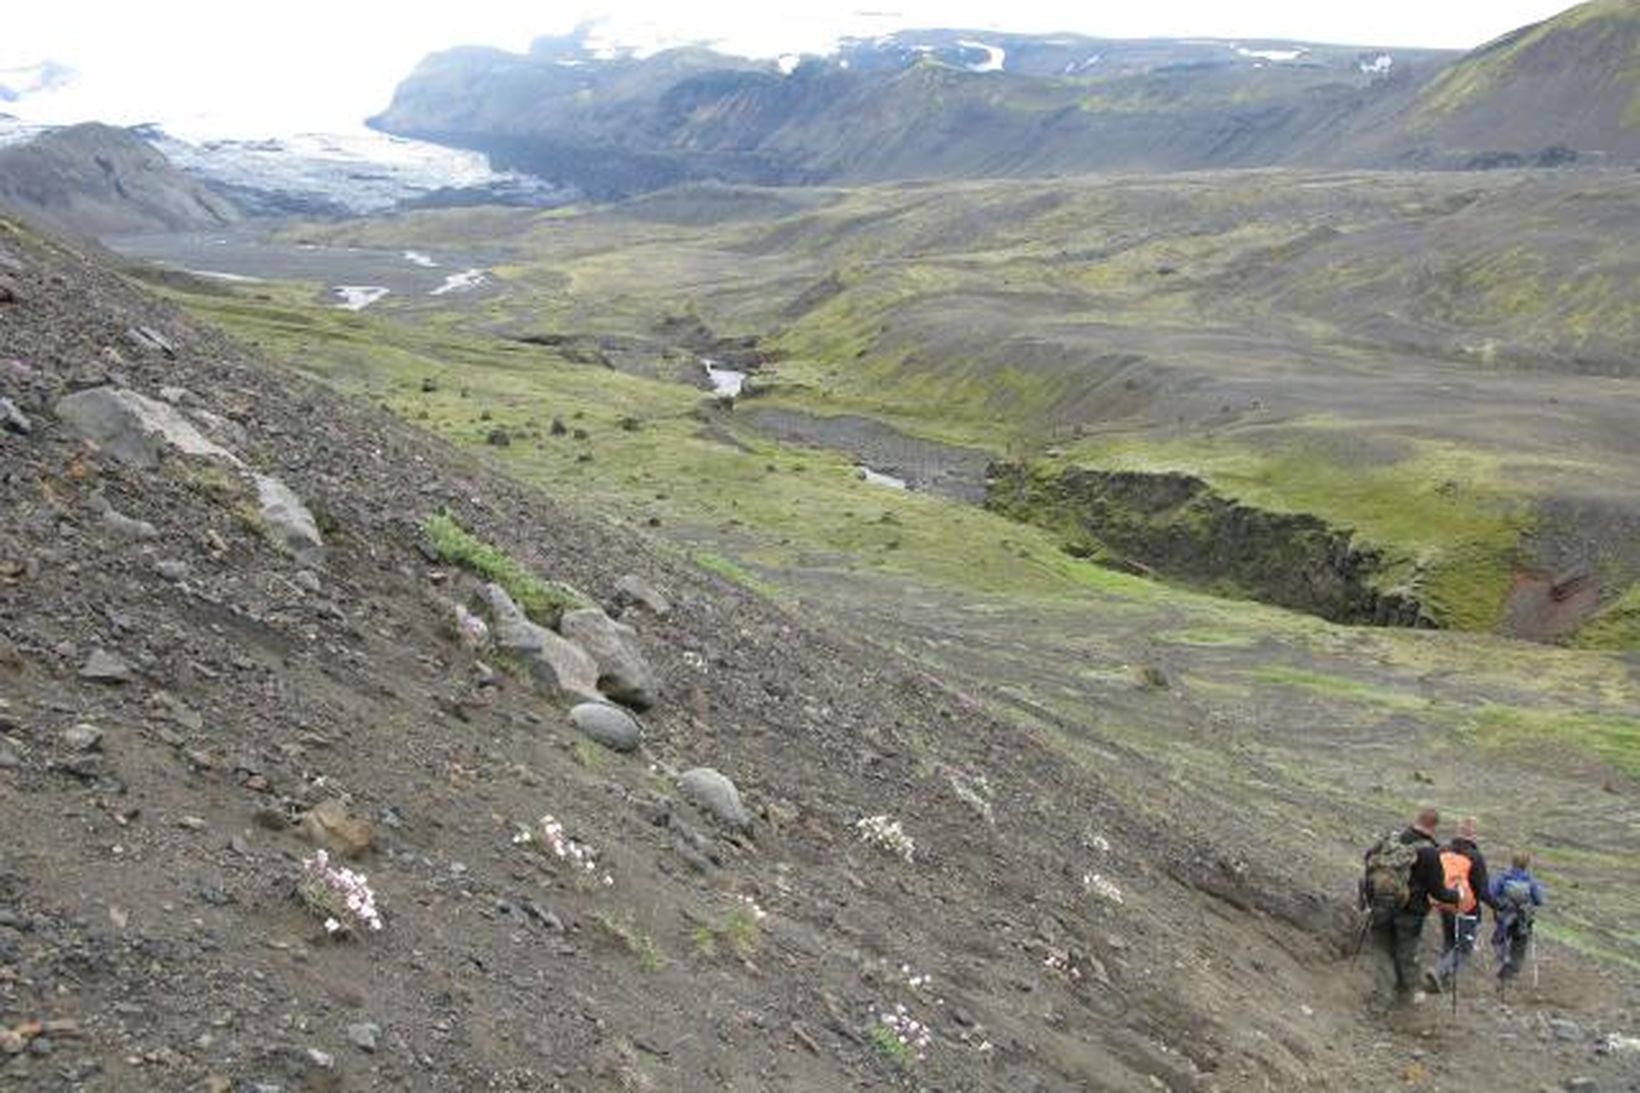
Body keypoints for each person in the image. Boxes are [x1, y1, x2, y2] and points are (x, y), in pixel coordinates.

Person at [1360, 807, 1461, 1012]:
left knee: (1382, 951)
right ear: (1434, 826)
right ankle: (1404, 1002)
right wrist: (1457, 895)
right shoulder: (1430, 852)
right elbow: (1439, 891)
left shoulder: (1392, 839)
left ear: (1417, 819)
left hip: (1381, 906)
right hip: (1411, 913)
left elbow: (1368, 858)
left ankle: (1381, 999)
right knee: (1406, 955)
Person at [1428, 816, 1493, 993]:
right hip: (1466, 909)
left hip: (1444, 903)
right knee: (1464, 948)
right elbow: (1483, 891)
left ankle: (1441, 982)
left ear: (1458, 831)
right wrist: (1498, 906)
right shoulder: (1475, 857)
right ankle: (1439, 972)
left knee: (1449, 942)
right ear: (1473, 834)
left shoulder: (1442, 850)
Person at [1489, 851, 1546, 982]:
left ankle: (1502, 960)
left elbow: (1491, 894)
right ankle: (1512, 971)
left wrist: (1500, 905)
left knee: (1499, 939)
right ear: (1527, 864)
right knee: (1519, 945)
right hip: (1523, 919)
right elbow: (1540, 900)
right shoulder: (1530, 881)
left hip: (1504, 917)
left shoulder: (1502, 877)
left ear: (1512, 861)